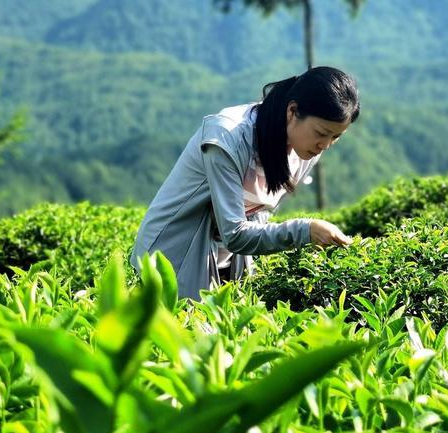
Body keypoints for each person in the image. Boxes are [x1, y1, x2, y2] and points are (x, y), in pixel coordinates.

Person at [130, 66, 360, 299]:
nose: (326, 145)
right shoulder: (226, 138)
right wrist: (305, 230)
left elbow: (257, 218)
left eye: (336, 136)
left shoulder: (304, 150)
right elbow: (236, 234)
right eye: (321, 133)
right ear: (292, 111)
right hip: (171, 262)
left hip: (225, 264)